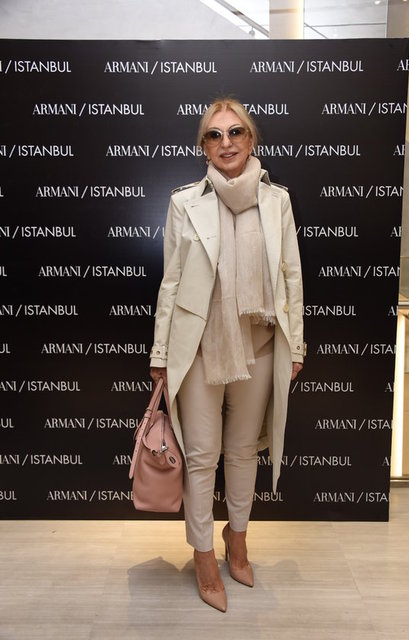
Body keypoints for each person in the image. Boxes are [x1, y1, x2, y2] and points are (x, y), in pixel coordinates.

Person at [150, 97, 305, 612]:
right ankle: (202, 556)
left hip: (259, 344)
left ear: (251, 139)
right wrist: (160, 352)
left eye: (235, 131)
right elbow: (171, 282)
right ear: (204, 147)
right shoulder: (184, 203)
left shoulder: (276, 201)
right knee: (201, 457)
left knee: (242, 453)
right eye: (214, 135)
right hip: (198, 348)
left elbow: (291, 277)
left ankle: (236, 540)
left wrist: (296, 343)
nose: (226, 142)